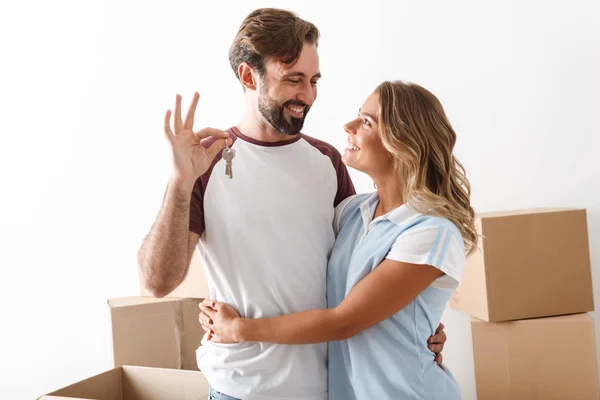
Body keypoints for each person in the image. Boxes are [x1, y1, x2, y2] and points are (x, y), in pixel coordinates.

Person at [138, 8, 447, 400]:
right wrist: (180, 183)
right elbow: (156, 283)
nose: (307, 95)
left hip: (328, 387)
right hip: (240, 388)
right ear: (249, 76)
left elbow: (365, 272)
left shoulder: (329, 162)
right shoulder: (206, 163)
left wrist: (418, 328)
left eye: (314, 80)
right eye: (293, 79)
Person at [199, 80, 477, 400]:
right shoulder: (352, 213)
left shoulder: (431, 231)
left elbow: (344, 322)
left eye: (367, 121)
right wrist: (224, 298)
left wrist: (239, 329)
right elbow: (280, 247)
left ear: (403, 143)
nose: (349, 125)